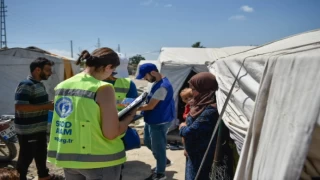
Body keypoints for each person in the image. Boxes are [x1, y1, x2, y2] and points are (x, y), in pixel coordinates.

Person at [47, 47, 137, 180]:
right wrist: (129, 116)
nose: (112, 74)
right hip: (100, 160)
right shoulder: (103, 88)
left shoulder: (62, 86)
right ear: (108, 67)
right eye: (114, 70)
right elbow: (111, 133)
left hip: (69, 159)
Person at [14, 57, 55, 180]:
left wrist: (49, 104)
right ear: (37, 70)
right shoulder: (26, 84)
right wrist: (46, 106)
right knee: (25, 158)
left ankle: (43, 176)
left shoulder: (38, 84)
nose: (50, 73)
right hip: (28, 131)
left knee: (41, 155)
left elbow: (36, 103)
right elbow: (20, 107)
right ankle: (18, 178)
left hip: (39, 129)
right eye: (48, 70)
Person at [136, 63, 175, 180]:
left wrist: (132, 107)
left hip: (159, 121)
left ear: (153, 73)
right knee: (148, 142)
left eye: (145, 76)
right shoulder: (157, 83)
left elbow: (151, 106)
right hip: (152, 119)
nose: (144, 78)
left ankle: (160, 174)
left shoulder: (163, 86)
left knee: (159, 147)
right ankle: (164, 161)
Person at [104, 54, 138, 180]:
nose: (114, 77)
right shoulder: (92, 83)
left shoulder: (128, 83)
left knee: (116, 166)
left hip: (118, 129)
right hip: (94, 129)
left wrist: (125, 121)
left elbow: (132, 106)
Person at [179, 72, 219, 180]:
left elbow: (190, 132)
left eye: (194, 89)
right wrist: (186, 147)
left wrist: (182, 127)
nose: (192, 92)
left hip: (202, 155)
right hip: (192, 153)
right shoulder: (198, 105)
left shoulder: (210, 110)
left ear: (204, 89)